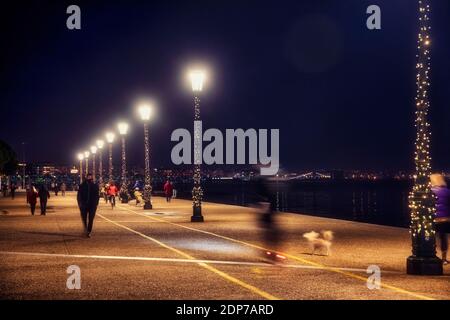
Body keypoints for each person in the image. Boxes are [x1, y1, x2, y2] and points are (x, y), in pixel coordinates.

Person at [430, 174, 450, 265]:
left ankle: (432, 256)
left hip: (433, 219)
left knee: (431, 237)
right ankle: (444, 258)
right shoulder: (447, 191)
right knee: (443, 238)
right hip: (445, 219)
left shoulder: (430, 191)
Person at [77, 173, 100, 238]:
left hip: (92, 205)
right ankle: (86, 229)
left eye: (90, 176)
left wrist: (96, 203)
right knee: (84, 219)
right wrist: (80, 204)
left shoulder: (95, 185)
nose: (89, 177)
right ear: (86, 177)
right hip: (84, 205)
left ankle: (88, 231)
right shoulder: (82, 185)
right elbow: (79, 196)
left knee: (91, 219)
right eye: (88, 176)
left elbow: (97, 196)